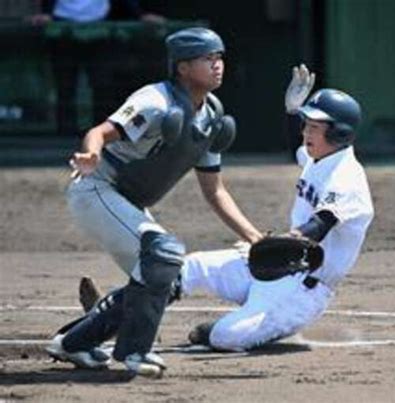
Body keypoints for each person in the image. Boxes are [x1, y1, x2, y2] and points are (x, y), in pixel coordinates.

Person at [46, 27, 262, 377]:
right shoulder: (154, 101)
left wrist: (256, 238)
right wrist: (90, 155)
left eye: (220, 57)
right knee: (162, 254)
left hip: (126, 201)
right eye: (208, 58)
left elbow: (215, 192)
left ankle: (74, 342)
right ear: (182, 67)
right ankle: (134, 353)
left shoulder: (211, 116)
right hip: (96, 188)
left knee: (170, 277)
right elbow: (100, 132)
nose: (218, 64)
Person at [173, 65, 375, 351]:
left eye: (314, 128)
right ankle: (119, 314)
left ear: (339, 134)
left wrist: (275, 247)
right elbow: (299, 147)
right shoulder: (319, 157)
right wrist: (293, 113)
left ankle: (218, 331)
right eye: (306, 126)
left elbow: (318, 227)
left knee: (225, 337)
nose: (306, 133)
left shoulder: (347, 181)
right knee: (189, 267)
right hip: (280, 266)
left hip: (302, 293)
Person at [30, 0, 165, 136]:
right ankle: (65, 135)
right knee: (65, 86)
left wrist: (140, 15)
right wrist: (45, 13)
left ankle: (100, 133)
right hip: (62, 27)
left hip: (101, 28)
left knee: (102, 83)